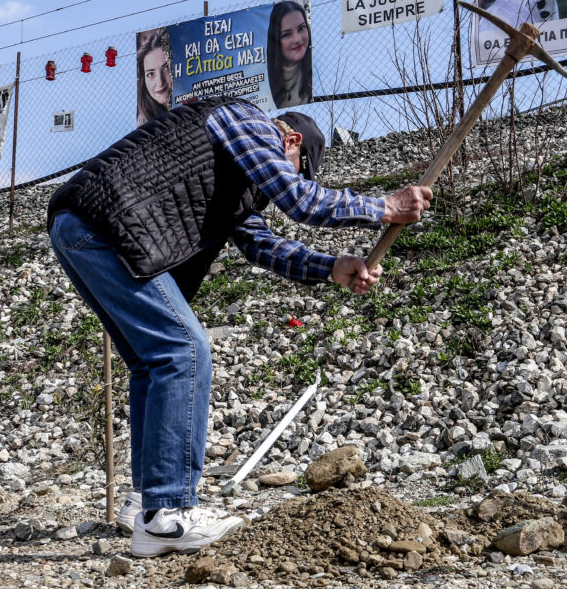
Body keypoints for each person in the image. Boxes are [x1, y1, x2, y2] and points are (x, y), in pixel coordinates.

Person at [47, 97, 431, 558]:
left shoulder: (238, 176)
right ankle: (166, 517)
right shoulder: (245, 121)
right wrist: (384, 208)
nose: (281, 183)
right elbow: (299, 200)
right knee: (184, 352)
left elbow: (262, 245)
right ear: (290, 140)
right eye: (294, 167)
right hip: (106, 225)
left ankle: (145, 505)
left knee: (153, 363)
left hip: (83, 229)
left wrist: (331, 267)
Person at [266, 0, 313, 109]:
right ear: (276, 41)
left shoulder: (316, 72)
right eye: (286, 34)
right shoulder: (266, 82)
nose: (297, 39)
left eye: (301, 28)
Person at [136, 27, 172, 126]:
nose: (160, 82)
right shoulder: (143, 125)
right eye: (151, 74)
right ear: (143, 80)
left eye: (166, 69)